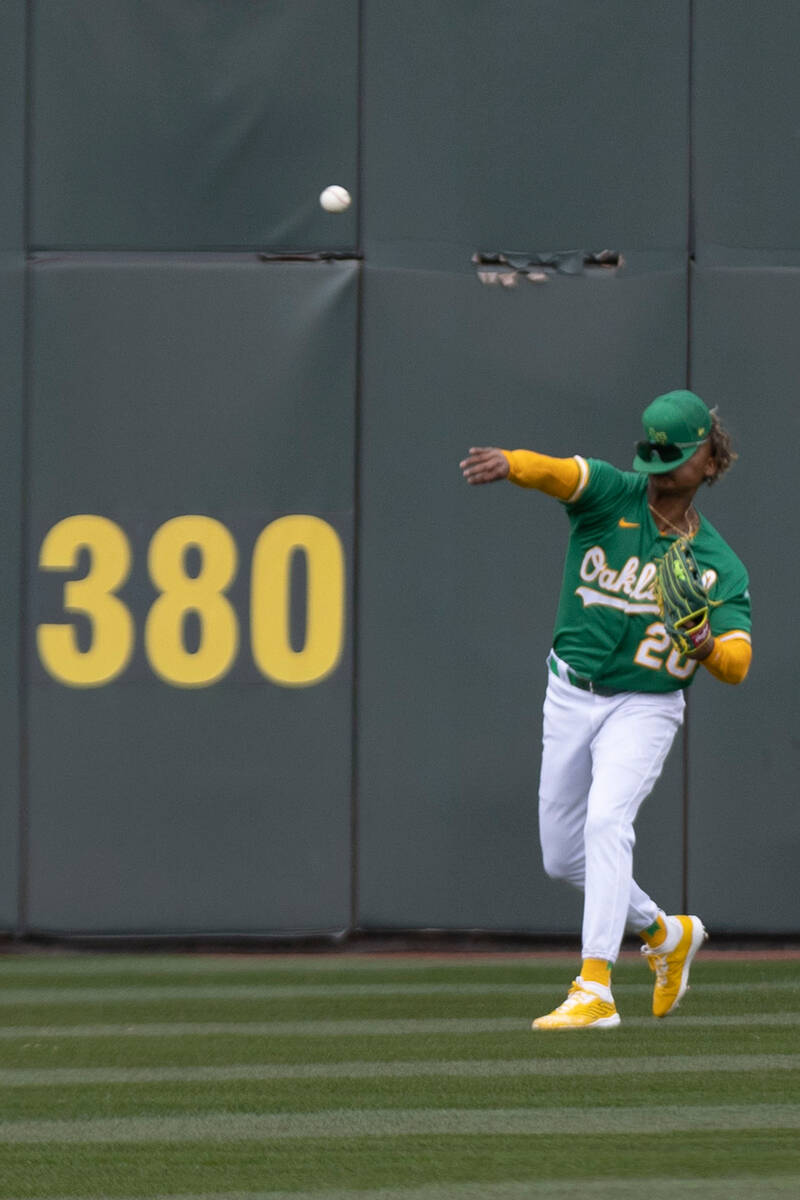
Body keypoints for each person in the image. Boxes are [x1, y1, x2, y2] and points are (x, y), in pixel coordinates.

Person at [460, 390, 751, 1030]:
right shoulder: (614, 495)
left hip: (646, 704)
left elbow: (737, 663)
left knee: (606, 822)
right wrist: (512, 462)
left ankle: (594, 988)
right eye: (655, 454)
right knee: (562, 857)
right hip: (569, 691)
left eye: (676, 457)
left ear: (708, 460)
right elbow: (563, 472)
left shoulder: (717, 564)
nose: (661, 468)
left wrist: (703, 642)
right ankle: (663, 933)